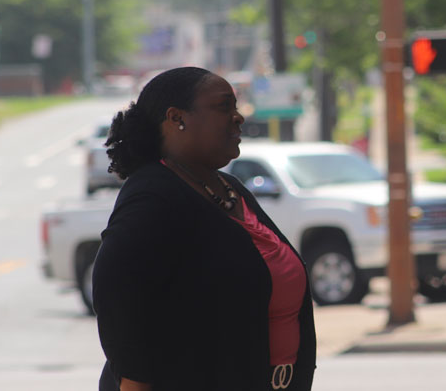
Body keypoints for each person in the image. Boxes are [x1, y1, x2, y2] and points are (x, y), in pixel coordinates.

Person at [92, 67, 316, 391]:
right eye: (224, 107)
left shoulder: (229, 187)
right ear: (177, 118)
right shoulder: (154, 194)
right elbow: (115, 291)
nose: (238, 117)